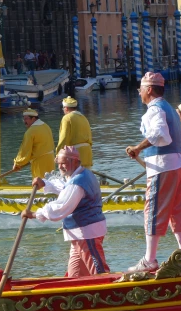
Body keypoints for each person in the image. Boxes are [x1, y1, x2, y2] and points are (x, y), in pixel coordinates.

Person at [124, 72, 181, 272]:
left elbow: (160, 134)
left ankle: (149, 259)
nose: (139, 93)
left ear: (149, 90)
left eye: (140, 89)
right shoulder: (171, 109)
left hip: (163, 166)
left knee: (153, 211)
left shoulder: (154, 109)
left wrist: (138, 148)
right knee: (177, 212)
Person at [22, 146, 109, 277]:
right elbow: (64, 186)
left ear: (74, 161)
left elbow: (61, 207)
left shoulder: (78, 182)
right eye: (59, 163)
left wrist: (35, 214)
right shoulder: (80, 175)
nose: (61, 167)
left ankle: (108, 290)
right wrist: (45, 183)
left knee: (99, 272)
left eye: (64, 163)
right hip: (79, 235)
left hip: (86, 234)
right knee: (75, 275)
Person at [13, 108, 56, 178]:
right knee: (50, 181)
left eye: (26, 119)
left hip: (40, 162)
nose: (24, 121)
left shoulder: (30, 132)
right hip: (50, 159)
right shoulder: (46, 126)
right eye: (24, 119)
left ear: (33, 118)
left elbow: (25, 150)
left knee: (40, 182)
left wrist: (17, 163)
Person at [56, 96, 93, 169]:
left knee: (74, 179)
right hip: (87, 154)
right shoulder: (83, 117)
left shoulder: (67, 118)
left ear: (66, 108)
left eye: (63, 108)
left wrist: (58, 154)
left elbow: (63, 139)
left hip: (75, 155)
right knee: (86, 178)